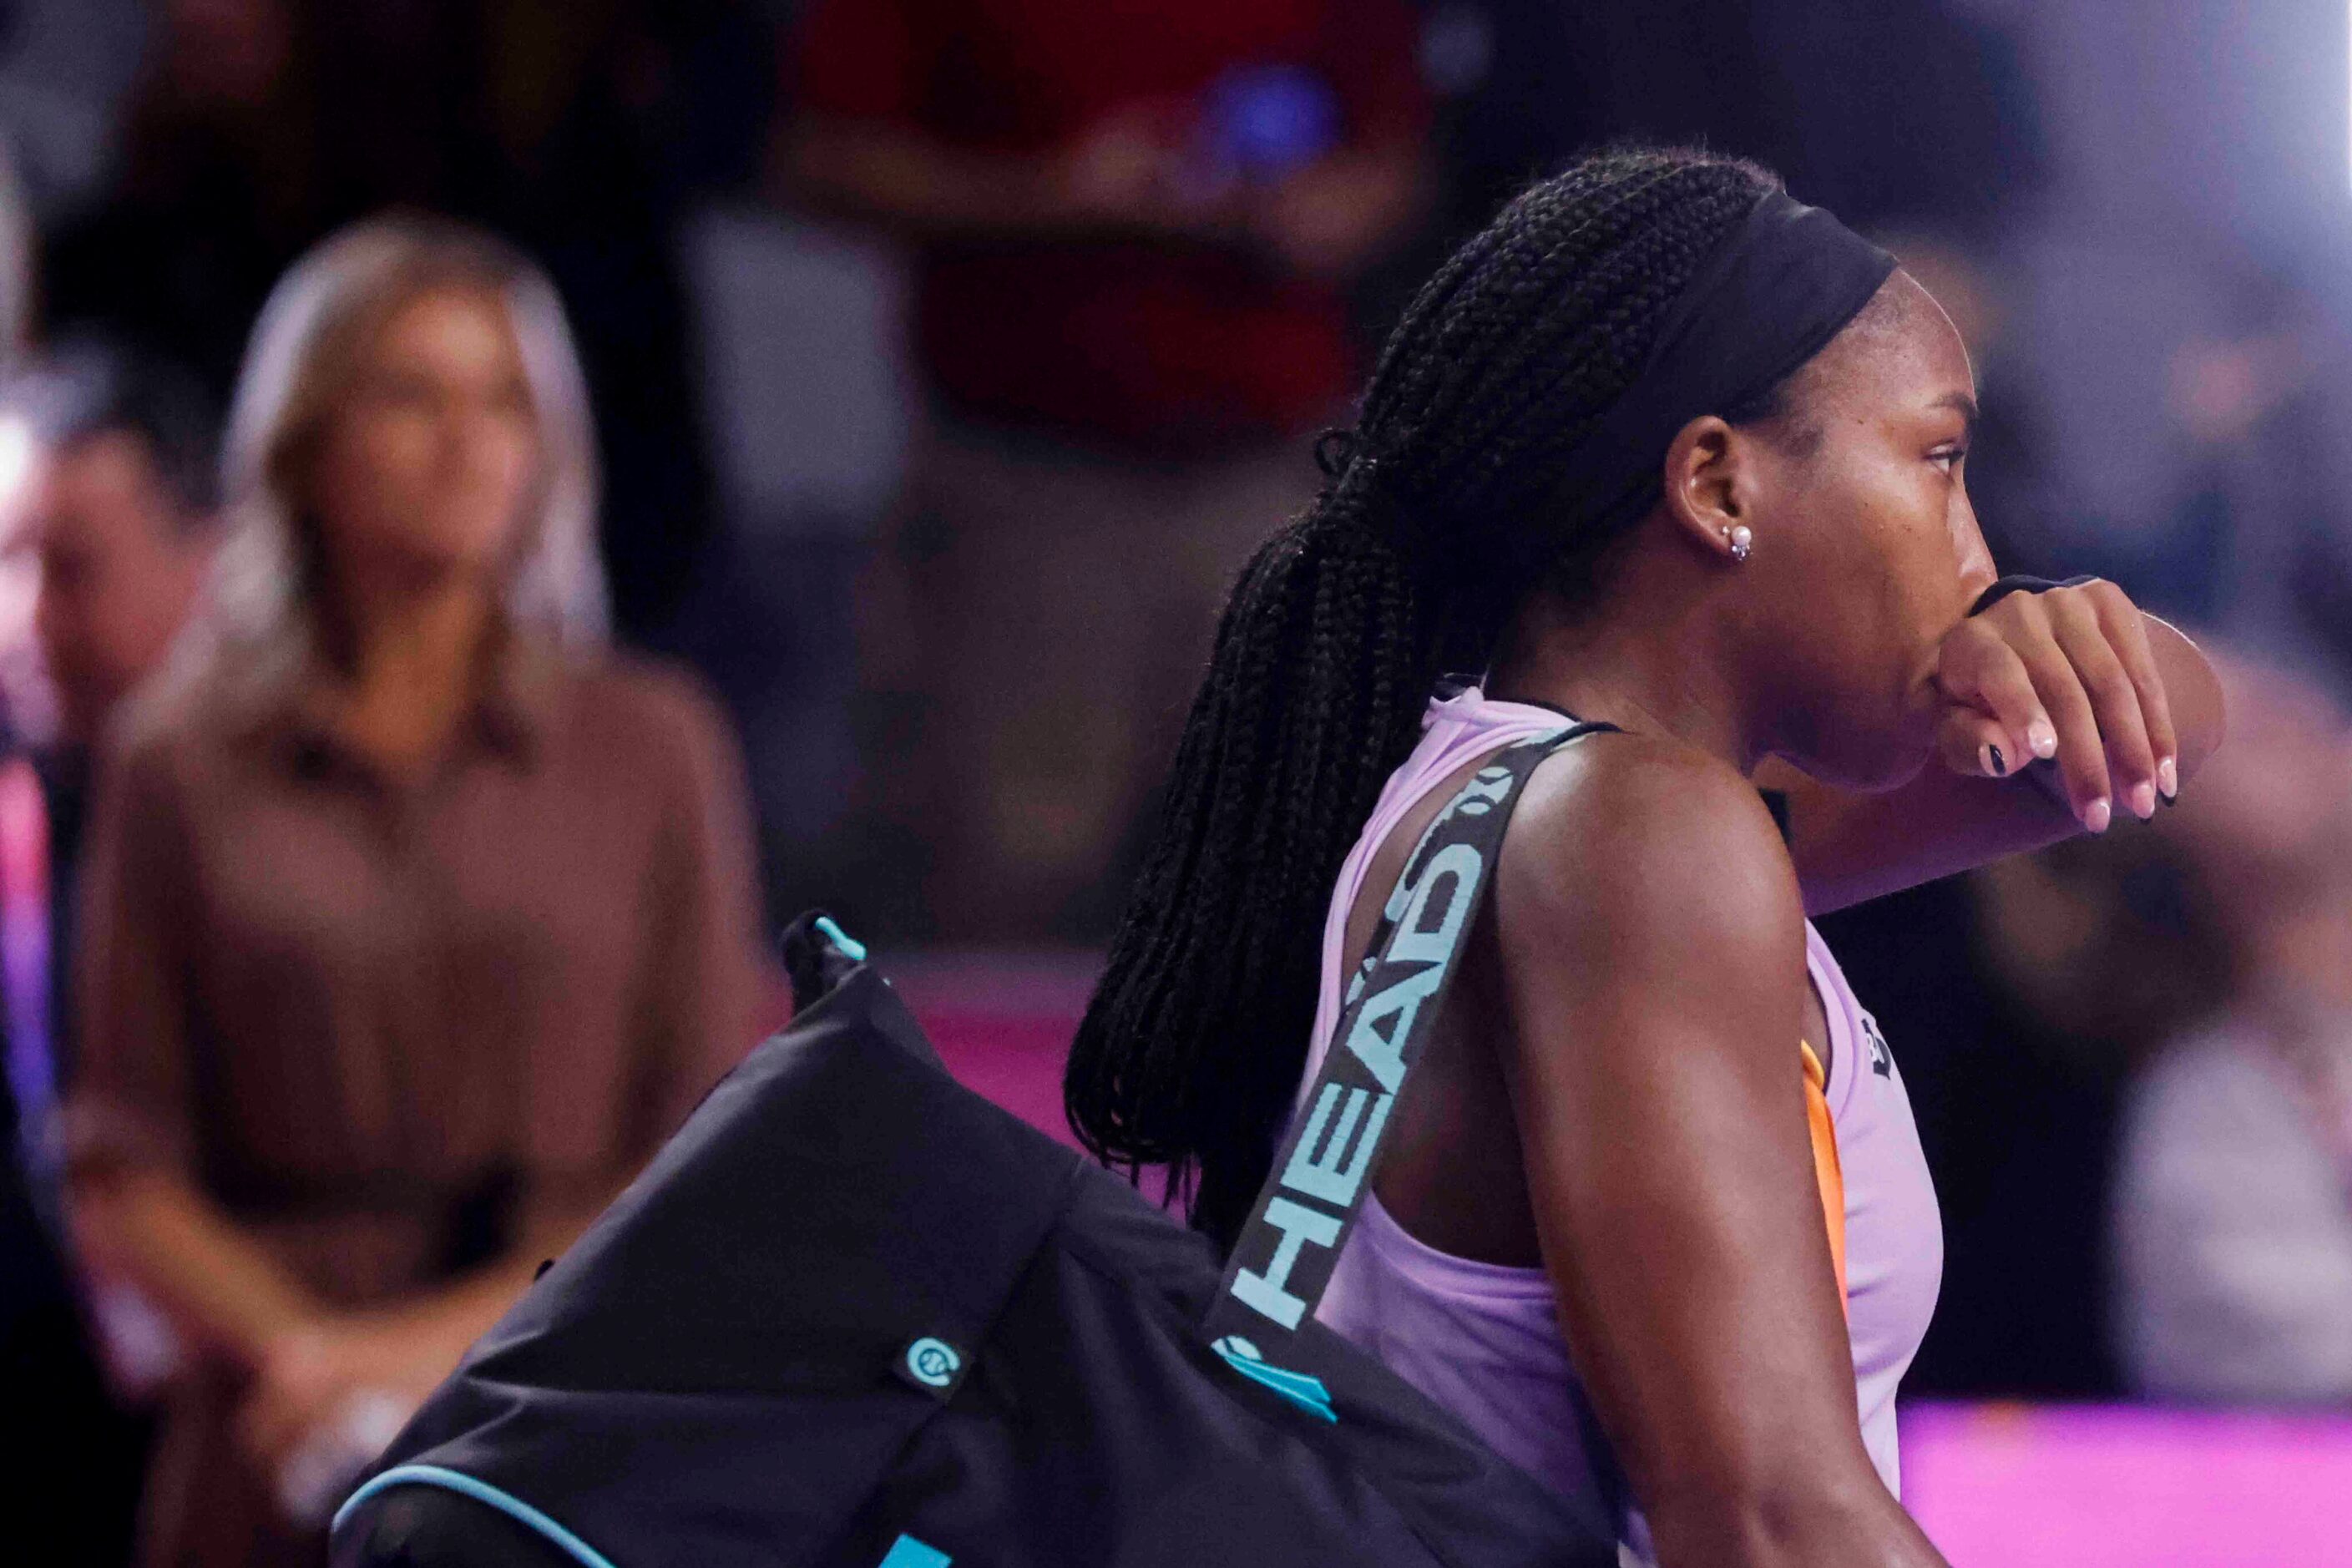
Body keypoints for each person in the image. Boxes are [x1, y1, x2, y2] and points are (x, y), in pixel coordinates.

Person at [1066, 149, 2223, 1565]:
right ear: (1717, 481)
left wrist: (2064, 632)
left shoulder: (1515, 797)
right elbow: (1764, 1523)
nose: (1977, 550)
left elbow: (2153, 735)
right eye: (1936, 460)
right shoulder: (1636, 836)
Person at [63, 217, 766, 1568]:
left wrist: (396, 1358)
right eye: (411, 394)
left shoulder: (653, 742)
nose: (467, 440)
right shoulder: (179, 756)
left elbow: (703, 1154)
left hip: (572, 1413)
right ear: (306, 440)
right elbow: (118, 1159)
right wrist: (307, 1355)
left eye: (503, 400)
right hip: (270, 1433)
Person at [784, 0, 1428, 938]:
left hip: (1274, 480)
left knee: (1294, 881)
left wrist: (1330, 209)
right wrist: (1052, 192)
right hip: (1031, 487)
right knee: (1007, 878)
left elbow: (1398, 152)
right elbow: (818, 155)